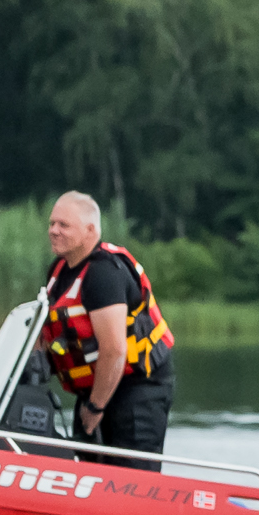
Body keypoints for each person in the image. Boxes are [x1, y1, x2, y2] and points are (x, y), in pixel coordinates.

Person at [38, 191, 175, 455]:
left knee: (131, 474)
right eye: (51, 223)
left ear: (90, 231)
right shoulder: (60, 269)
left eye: (63, 225)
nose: (53, 231)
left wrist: (95, 408)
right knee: (88, 462)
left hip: (137, 387)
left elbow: (114, 349)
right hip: (95, 389)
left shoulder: (103, 275)